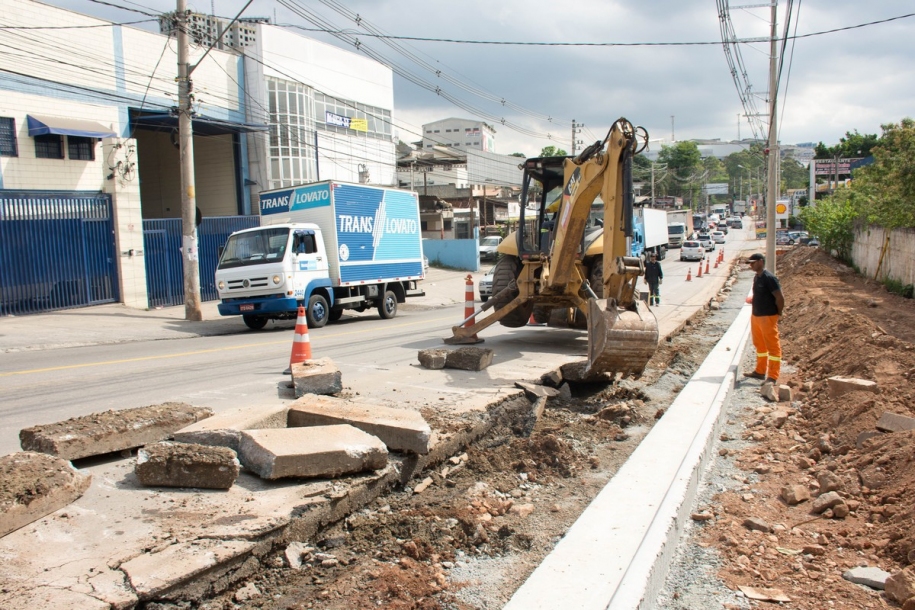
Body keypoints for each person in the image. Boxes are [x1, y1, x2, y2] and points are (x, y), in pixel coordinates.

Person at [744, 253, 784, 384]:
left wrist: (778, 313)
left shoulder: (769, 278)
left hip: (768, 317)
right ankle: (760, 371)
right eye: (750, 263)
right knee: (760, 345)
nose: (751, 265)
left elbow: (779, 298)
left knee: (773, 347)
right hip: (756, 316)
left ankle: (772, 376)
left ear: (761, 262)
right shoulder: (757, 278)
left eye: (753, 263)